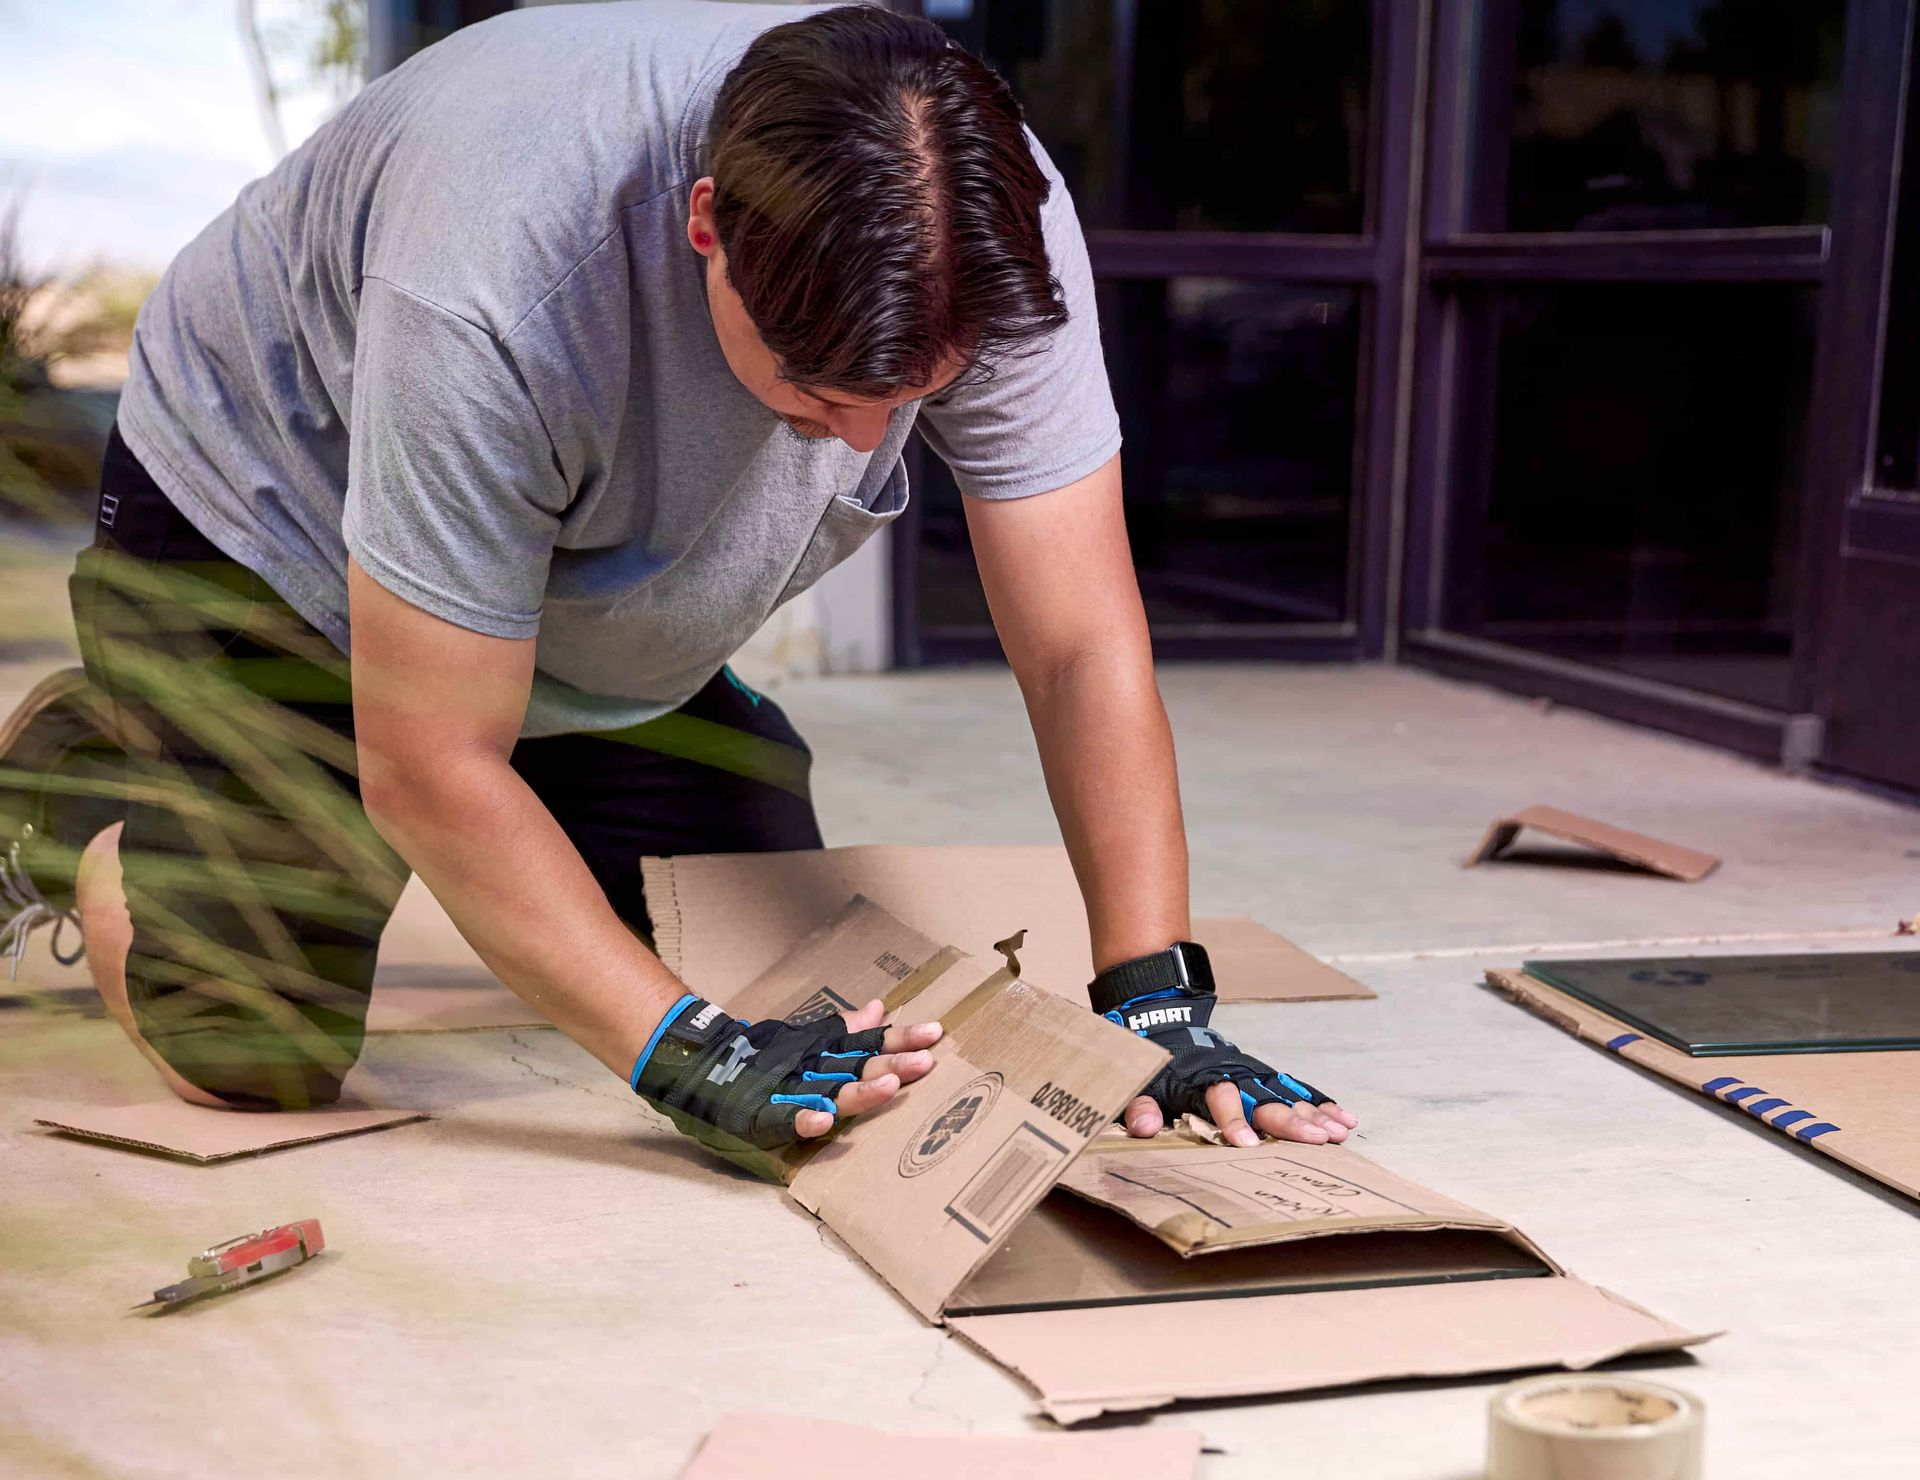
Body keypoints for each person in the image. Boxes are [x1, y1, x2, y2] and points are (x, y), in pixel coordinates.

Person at [0, 1, 1356, 1165]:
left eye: (910, 401)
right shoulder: (494, 280)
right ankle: (81, 796)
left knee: (775, 987)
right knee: (251, 1053)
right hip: (266, 519)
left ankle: (490, 747)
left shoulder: (982, 228)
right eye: (819, 393)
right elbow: (429, 763)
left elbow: (1077, 646)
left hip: (575, 586)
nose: (863, 442)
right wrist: (687, 1070)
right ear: (706, 226)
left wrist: (1155, 998)